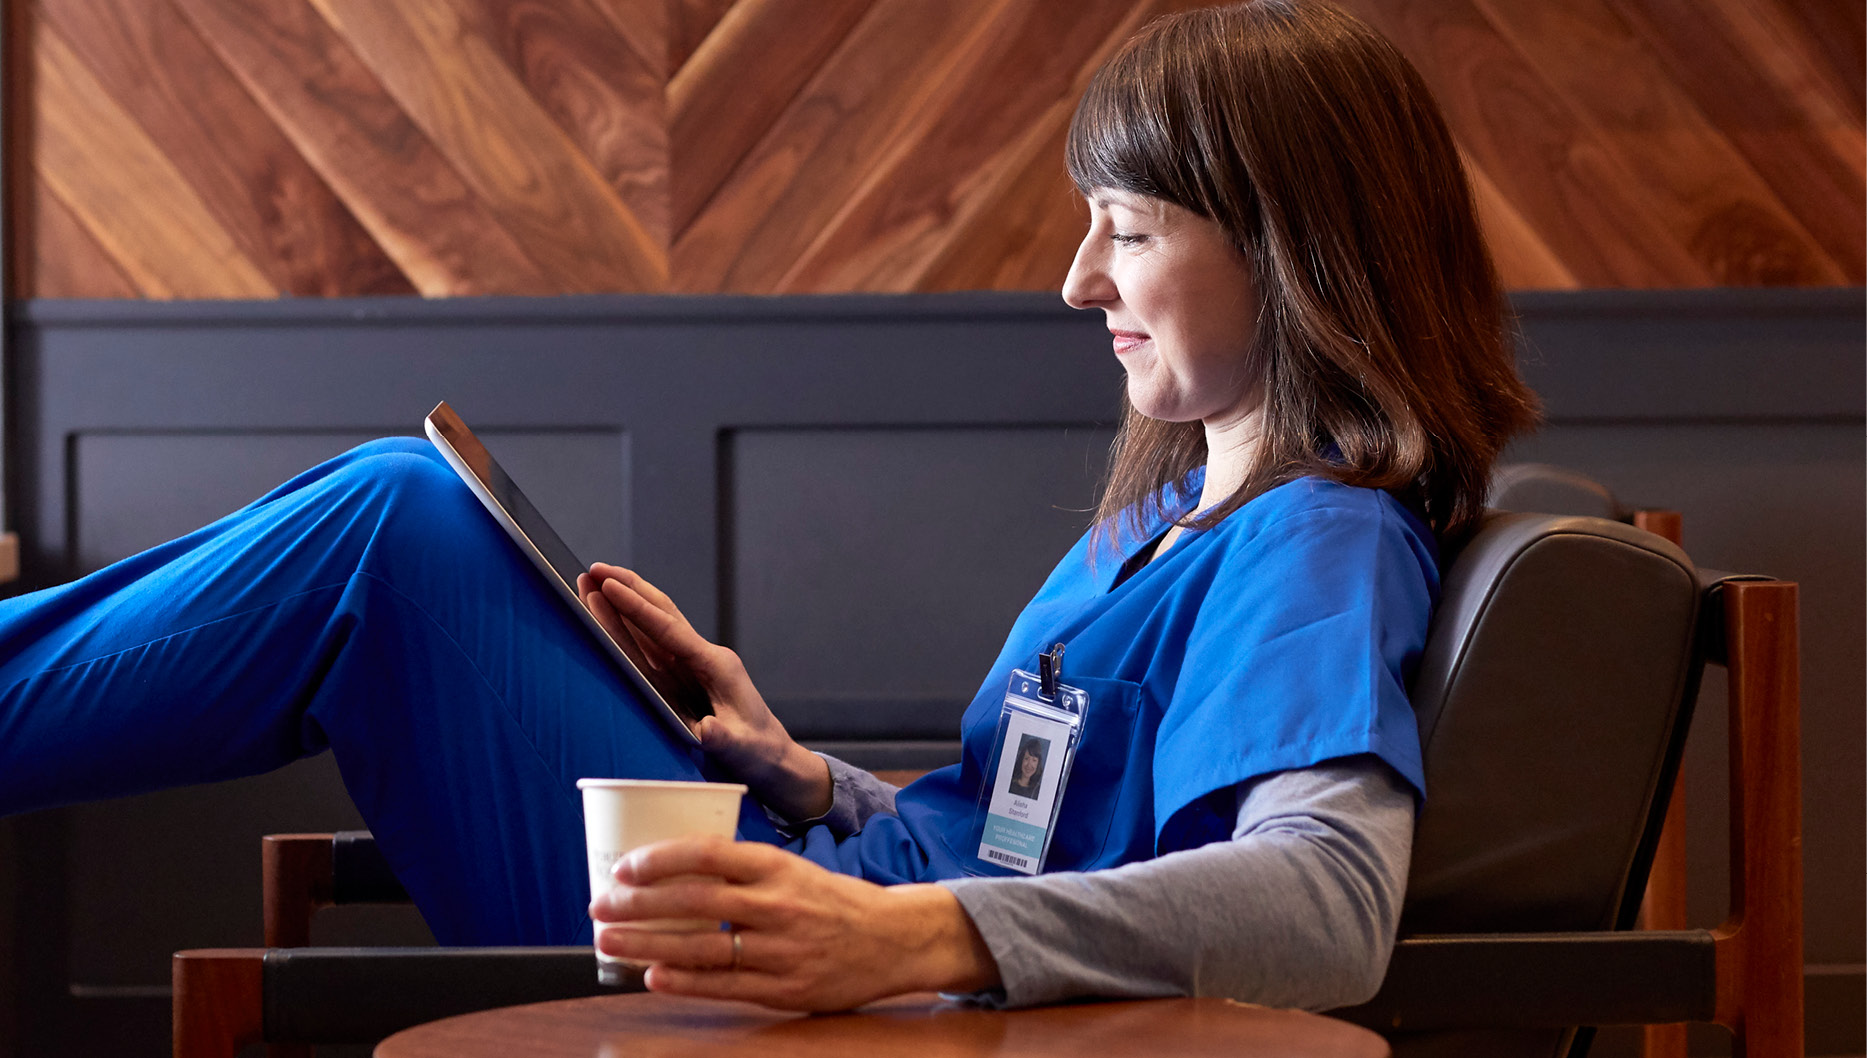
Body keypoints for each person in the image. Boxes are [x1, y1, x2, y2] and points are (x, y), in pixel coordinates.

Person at [0, 0, 1536, 1016]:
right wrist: (803, 773)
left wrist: (906, 936)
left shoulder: (1318, 535)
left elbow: (1329, 902)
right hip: (816, 903)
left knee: (392, 529)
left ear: (1292, 251)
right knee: (394, 512)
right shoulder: (1176, 518)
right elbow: (1033, 838)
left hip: (816, 980)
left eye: (1126, 231)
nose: (1079, 282)